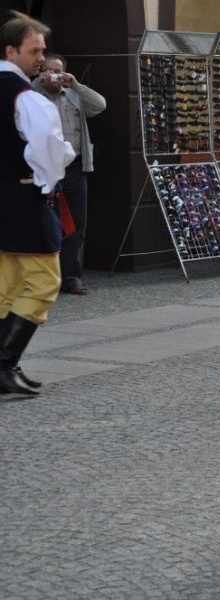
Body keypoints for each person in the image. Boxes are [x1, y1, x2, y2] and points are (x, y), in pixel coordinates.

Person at [0, 11, 75, 396]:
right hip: (25, 200)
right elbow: (49, 150)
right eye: (35, 50)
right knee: (45, 282)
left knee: (8, 284)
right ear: (11, 51)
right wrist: (46, 182)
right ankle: (4, 364)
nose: (42, 58)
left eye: (42, 50)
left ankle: (4, 366)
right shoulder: (26, 97)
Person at [32, 52, 106, 296]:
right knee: (42, 222)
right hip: (42, 167)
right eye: (49, 71)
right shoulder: (33, 96)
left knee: (76, 224)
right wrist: (36, 82)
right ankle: (43, 280)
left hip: (74, 166)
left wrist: (76, 84)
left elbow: (100, 105)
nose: (54, 76)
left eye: (59, 71)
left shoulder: (74, 95)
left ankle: (72, 278)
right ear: (42, 72)